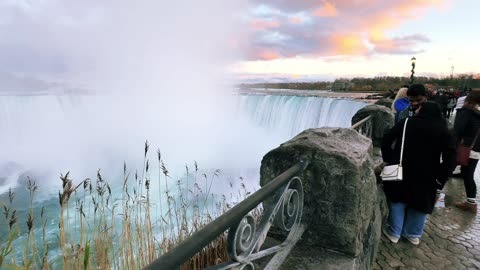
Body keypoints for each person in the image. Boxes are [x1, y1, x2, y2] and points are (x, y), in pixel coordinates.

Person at [381, 101, 456, 245]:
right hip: (428, 172)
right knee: (420, 202)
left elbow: (387, 138)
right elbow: (450, 158)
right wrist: (441, 177)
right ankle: (412, 234)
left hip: (402, 167)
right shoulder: (444, 129)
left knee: (398, 198)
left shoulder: (406, 122)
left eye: (418, 107)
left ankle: (394, 232)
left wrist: (389, 158)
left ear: (422, 110)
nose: (416, 109)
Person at [453, 91, 480, 213]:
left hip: (463, 147)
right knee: (468, 174)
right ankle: (471, 202)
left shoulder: (465, 112)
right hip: (476, 149)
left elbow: (458, 130)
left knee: (446, 169)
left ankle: (435, 195)